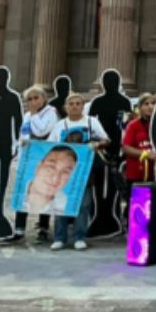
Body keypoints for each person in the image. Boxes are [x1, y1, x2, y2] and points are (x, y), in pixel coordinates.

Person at [47, 93, 110, 251]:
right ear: (66, 107)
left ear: (83, 106)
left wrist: (96, 145)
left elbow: (106, 140)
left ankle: (79, 237)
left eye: (78, 103)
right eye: (71, 104)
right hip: (64, 170)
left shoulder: (91, 122)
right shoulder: (60, 125)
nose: (75, 106)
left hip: (83, 170)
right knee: (61, 203)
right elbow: (49, 145)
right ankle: (60, 238)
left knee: (83, 204)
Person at [11, 85, 58, 243]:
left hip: (44, 158)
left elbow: (42, 132)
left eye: (36, 98)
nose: (32, 101)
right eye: (29, 99)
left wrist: (33, 115)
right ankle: (19, 229)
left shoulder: (51, 113)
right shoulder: (27, 115)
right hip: (27, 159)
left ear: (44, 99)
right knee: (22, 193)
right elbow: (23, 134)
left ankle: (43, 228)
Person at [121, 94, 156, 195]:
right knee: (140, 208)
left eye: (153, 103)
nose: (150, 106)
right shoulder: (133, 125)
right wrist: (146, 154)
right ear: (139, 107)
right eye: (146, 104)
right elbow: (126, 148)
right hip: (138, 174)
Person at [24, 146, 77, 214]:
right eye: (51, 167)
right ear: (38, 166)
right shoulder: (14, 188)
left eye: (65, 172)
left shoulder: (65, 205)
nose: (55, 178)